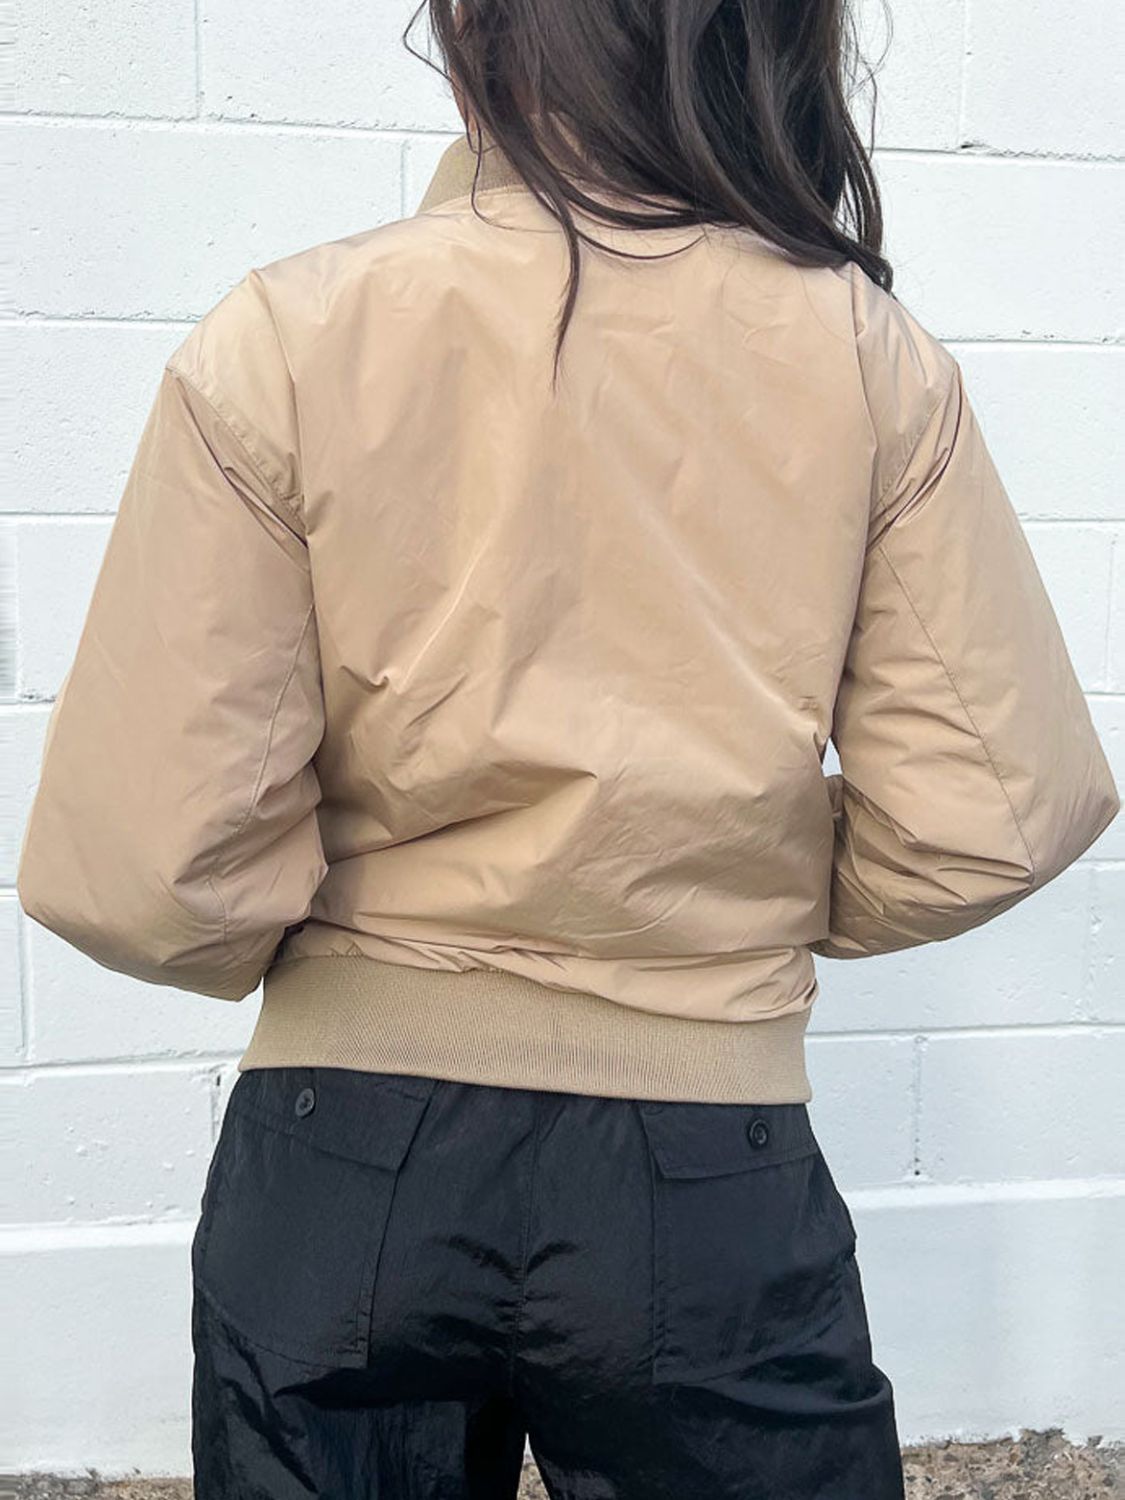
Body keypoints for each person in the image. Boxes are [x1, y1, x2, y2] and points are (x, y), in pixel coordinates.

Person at [16, 1, 1119, 1495]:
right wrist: (708, 888)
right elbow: (994, 813)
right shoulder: (871, 358)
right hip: (706, 1179)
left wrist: (353, 939)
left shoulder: (287, 337)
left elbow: (147, 866)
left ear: (478, 30)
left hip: (343, 1166)